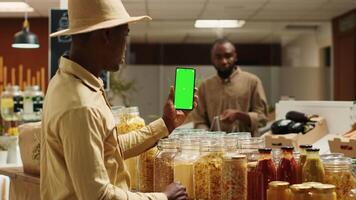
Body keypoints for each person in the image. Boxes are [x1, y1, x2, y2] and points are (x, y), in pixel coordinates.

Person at [40, 0, 197, 199]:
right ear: (106, 35)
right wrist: (162, 197)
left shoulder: (65, 81)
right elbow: (98, 196)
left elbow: (110, 148)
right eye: (124, 35)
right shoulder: (81, 106)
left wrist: (166, 124)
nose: (125, 46)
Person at [192, 38, 267, 136]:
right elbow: (199, 121)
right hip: (214, 147)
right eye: (218, 57)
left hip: (246, 146)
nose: (224, 61)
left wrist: (239, 115)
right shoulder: (205, 86)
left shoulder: (252, 82)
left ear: (235, 56)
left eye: (228, 56)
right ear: (212, 59)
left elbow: (262, 118)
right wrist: (210, 137)